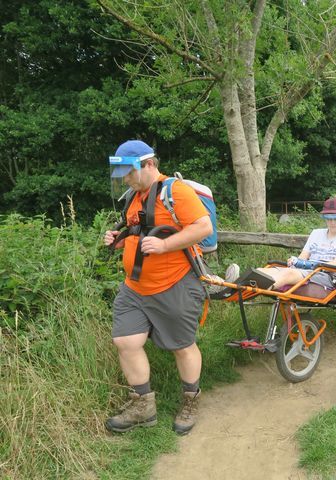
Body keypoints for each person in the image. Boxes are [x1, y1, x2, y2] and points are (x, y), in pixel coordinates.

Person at [103, 139, 238, 435]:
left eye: (130, 172)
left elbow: (203, 228)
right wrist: (120, 238)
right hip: (135, 287)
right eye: (123, 174)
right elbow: (140, 232)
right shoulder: (134, 196)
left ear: (149, 164)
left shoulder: (175, 191)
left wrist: (164, 245)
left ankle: (190, 400)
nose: (126, 178)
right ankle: (143, 405)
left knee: (182, 346)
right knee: (126, 342)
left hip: (175, 283)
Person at [246, 197, 336, 292]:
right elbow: (302, 257)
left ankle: (259, 288)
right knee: (264, 270)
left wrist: (304, 265)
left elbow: (334, 265)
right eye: (328, 218)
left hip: (326, 275)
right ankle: (236, 284)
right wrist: (296, 261)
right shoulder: (316, 233)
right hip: (306, 271)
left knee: (289, 273)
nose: (332, 222)